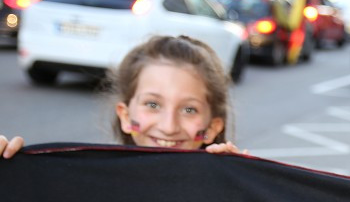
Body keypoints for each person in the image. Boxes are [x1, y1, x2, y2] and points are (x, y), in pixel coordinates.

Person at [1, 34, 244, 158]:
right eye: (152, 104)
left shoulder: (236, 198)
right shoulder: (88, 186)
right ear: (126, 116)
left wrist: (248, 182)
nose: (169, 127)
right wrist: (14, 171)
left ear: (212, 127)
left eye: (189, 109)